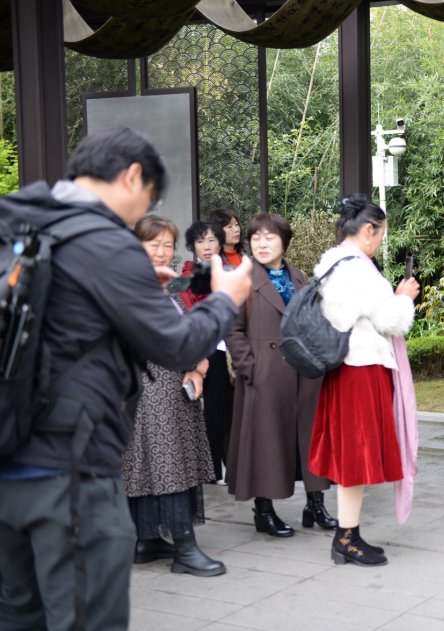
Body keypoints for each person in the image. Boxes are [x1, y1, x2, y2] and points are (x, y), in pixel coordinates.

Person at [0, 128, 251, 630]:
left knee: (19, 617)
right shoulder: (107, 242)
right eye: (149, 199)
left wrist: (133, 287)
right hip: (69, 476)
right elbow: (178, 345)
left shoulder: (17, 222)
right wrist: (226, 300)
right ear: (132, 176)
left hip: (8, 467)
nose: (141, 214)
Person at [309, 195, 420, 567]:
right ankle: (347, 538)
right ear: (369, 230)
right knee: (356, 457)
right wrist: (404, 296)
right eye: (381, 234)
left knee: (350, 456)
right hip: (361, 367)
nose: (380, 241)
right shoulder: (357, 267)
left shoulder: (333, 261)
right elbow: (391, 320)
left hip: (345, 368)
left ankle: (348, 534)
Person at [225, 212, 338, 538]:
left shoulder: (300, 277)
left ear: (284, 242)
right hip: (265, 375)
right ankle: (263, 511)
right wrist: (250, 367)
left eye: (269, 237)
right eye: (255, 237)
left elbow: (315, 322)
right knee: (266, 442)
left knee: (309, 439)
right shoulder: (242, 279)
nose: (261, 243)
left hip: (305, 375)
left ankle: (315, 504)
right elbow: (231, 329)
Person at [124, 215, 224, 577]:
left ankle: (148, 540)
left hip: (165, 390)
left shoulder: (158, 285)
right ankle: (185, 548)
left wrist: (195, 365)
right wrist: (197, 362)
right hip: (152, 392)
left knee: (154, 466)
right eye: (154, 243)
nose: (162, 251)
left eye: (168, 244)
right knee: (170, 468)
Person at [181, 220, 230, 483]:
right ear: (193, 246)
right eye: (200, 241)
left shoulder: (230, 272)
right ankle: (209, 470)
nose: (207, 246)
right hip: (204, 349)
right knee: (206, 410)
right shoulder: (188, 275)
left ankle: (225, 467)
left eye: (212, 240)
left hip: (228, 348)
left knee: (224, 411)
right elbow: (189, 313)